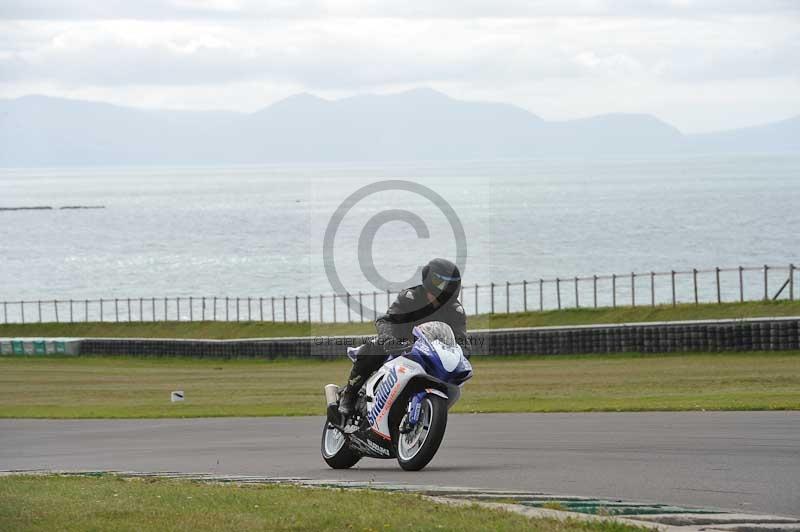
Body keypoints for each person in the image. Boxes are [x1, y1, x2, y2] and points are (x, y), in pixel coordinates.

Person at [338, 258, 467, 416]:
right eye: (441, 283)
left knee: (452, 381)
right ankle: (349, 395)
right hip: (399, 346)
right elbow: (386, 320)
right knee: (374, 348)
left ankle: (426, 412)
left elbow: (461, 341)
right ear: (429, 279)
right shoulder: (410, 297)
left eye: (450, 285)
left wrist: (462, 354)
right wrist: (388, 338)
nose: (446, 289)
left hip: (429, 353)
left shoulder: (455, 310)